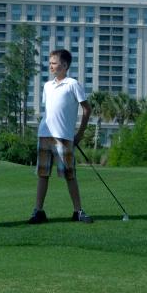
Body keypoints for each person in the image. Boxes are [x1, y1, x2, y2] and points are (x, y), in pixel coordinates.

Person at [28, 49, 93, 224]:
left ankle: (78, 211)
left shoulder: (73, 84)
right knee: (43, 174)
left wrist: (79, 133)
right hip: (45, 134)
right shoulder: (47, 86)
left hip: (64, 136)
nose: (51, 66)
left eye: (54, 63)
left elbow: (87, 109)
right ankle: (38, 211)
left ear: (64, 65)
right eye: (50, 63)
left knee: (69, 175)